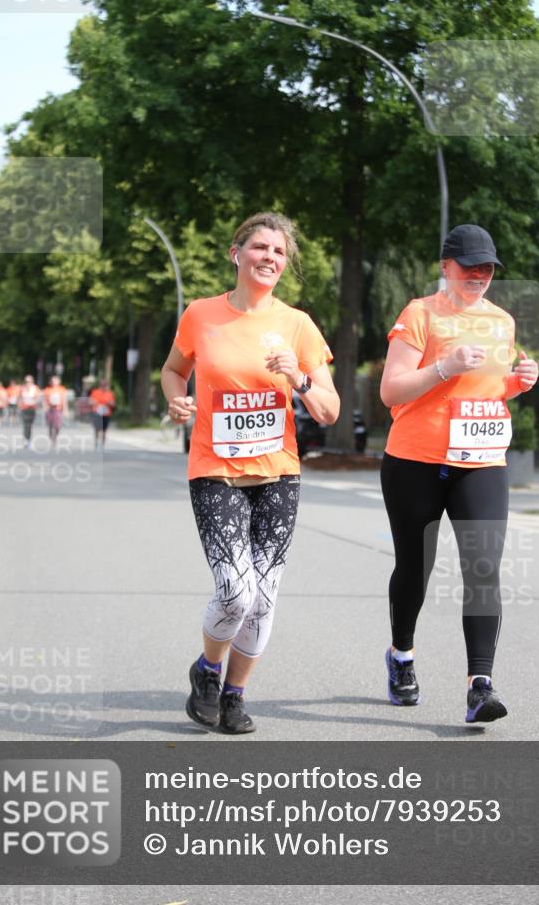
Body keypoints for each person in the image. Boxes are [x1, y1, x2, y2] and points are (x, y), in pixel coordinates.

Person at [161, 212, 340, 735]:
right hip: (215, 470)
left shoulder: (297, 324)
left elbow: (328, 409)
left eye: (279, 252)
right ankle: (208, 670)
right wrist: (177, 402)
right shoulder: (201, 315)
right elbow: (173, 370)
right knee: (235, 592)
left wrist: (300, 378)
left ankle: (235, 694)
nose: (270, 258)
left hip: (278, 474)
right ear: (236, 253)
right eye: (260, 247)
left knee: (264, 598)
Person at [380, 224, 539, 723]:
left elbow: (486, 392)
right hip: (416, 460)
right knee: (415, 567)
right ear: (445, 266)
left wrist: (516, 383)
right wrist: (443, 366)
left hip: (482, 461)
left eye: (487, 267)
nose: (479, 275)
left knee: (485, 567)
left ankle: (480, 685)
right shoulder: (420, 314)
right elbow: (392, 391)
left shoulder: (501, 322)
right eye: (469, 265)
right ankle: (401, 657)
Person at [89, 379, 116, 449]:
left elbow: (113, 404)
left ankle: (102, 445)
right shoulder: (95, 392)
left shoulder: (110, 393)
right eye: (102, 385)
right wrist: (94, 402)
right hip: (97, 413)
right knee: (97, 429)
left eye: (105, 385)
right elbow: (90, 401)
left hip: (106, 414)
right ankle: (97, 443)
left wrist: (110, 403)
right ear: (99, 385)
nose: (103, 387)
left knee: (104, 431)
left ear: (107, 386)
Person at [43, 375, 69, 446]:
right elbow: (44, 400)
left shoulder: (62, 389)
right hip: (50, 409)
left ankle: (55, 436)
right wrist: (45, 407)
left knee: (58, 425)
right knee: (50, 425)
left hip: (58, 409)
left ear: (58, 382)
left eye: (55, 381)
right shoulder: (47, 389)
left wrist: (65, 410)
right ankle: (51, 438)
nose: (54, 382)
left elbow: (64, 400)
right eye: (52, 381)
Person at [18, 375, 42, 448]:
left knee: (29, 425)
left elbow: (38, 398)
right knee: (25, 425)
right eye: (26, 381)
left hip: (32, 408)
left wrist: (34, 401)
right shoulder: (22, 388)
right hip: (24, 409)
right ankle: (26, 440)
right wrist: (20, 404)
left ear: (32, 381)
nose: (27, 383)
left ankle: (28, 440)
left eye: (29, 381)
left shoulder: (35, 388)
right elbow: (19, 398)